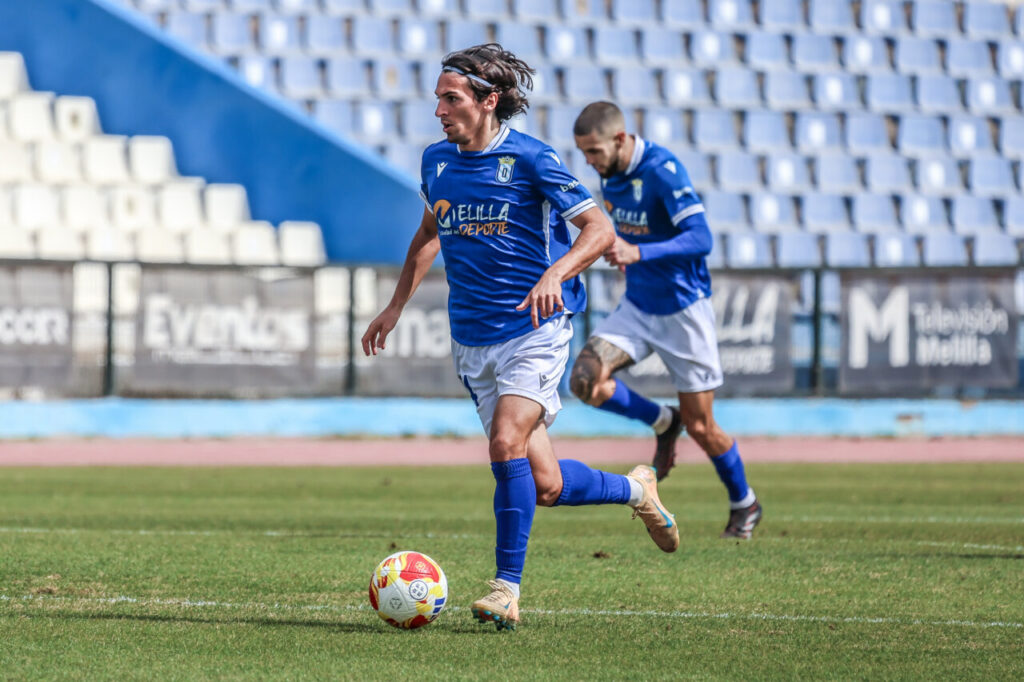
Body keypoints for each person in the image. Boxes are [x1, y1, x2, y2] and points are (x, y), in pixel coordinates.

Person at [360, 45, 678, 632]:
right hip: (473, 342)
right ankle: (636, 489)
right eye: (437, 98)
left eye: (450, 99)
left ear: (489, 101)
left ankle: (506, 589)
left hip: (535, 331)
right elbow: (430, 232)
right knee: (548, 484)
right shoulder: (436, 162)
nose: (438, 110)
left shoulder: (532, 159)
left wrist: (557, 272)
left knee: (506, 443)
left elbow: (600, 229)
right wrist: (394, 305)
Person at [569, 101, 762, 540]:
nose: (589, 162)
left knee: (703, 426)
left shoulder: (662, 169)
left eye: (594, 151)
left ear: (620, 139)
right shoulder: (611, 173)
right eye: (583, 153)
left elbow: (701, 238)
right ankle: (662, 421)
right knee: (583, 380)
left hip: (682, 310)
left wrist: (640, 252)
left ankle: (745, 503)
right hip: (638, 305)